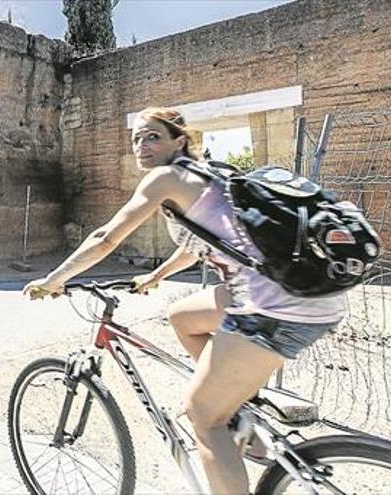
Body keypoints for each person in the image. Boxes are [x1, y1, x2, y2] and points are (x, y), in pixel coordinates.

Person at [23, 107, 346, 494]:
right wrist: (155, 277)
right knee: (182, 317)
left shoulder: (166, 177)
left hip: (274, 304)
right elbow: (199, 247)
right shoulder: (214, 175)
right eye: (137, 138)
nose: (142, 144)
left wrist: (53, 279)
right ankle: (239, 408)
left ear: (180, 141)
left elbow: (106, 238)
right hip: (302, 290)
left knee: (203, 416)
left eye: (153, 136)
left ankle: (219, 417)